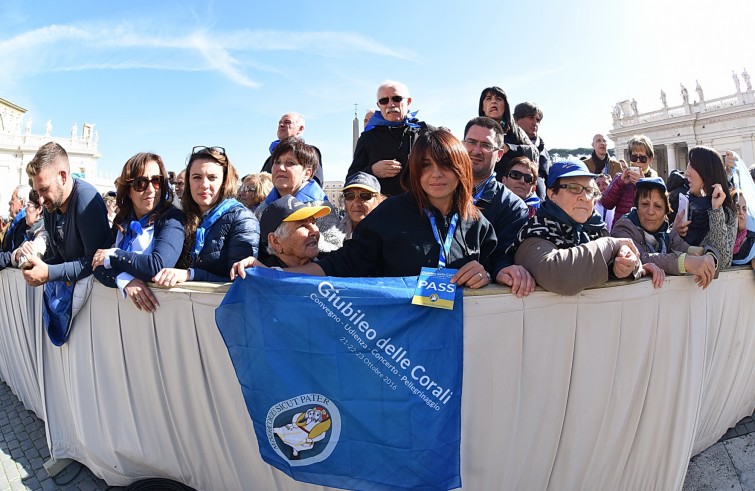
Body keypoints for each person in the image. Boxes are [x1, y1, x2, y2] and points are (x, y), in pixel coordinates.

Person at [233, 129, 498, 289]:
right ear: (415, 170)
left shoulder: (476, 221)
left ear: (461, 168)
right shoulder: (390, 213)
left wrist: (487, 274)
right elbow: (343, 264)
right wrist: (272, 273)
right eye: (426, 165)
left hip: (461, 337)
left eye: (445, 164)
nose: (436, 174)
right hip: (400, 340)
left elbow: (495, 266)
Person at [508, 161, 659, 296]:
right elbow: (559, 275)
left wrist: (629, 266)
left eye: (589, 191)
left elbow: (625, 260)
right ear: (552, 193)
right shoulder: (534, 231)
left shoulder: (596, 228)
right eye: (574, 188)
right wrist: (610, 245)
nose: (585, 197)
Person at [20, 142, 110, 345]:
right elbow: (62, 254)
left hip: (94, 320)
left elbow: (92, 262)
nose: (41, 201)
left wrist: (48, 273)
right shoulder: (53, 205)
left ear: (62, 176)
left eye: (44, 190)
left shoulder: (86, 200)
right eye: (37, 193)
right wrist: (38, 265)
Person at [152, 146, 259, 286]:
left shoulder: (242, 219)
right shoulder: (180, 216)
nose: (204, 185)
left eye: (212, 178)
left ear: (224, 182)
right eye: (197, 177)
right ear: (188, 181)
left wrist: (190, 275)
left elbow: (241, 280)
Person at [92, 153, 185, 313]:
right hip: (122, 315)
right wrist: (125, 279)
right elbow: (96, 264)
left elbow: (158, 265)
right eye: (141, 183)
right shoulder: (122, 221)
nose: (150, 190)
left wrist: (114, 256)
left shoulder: (172, 219)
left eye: (156, 181)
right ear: (128, 190)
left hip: (163, 313)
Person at [462, 117, 533, 296]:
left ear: (499, 154)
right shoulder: (437, 189)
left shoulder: (514, 207)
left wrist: (496, 272)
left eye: (486, 145)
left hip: (477, 297)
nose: (476, 150)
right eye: (471, 142)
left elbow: (504, 255)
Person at [611, 178, 717, 288]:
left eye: (657, 206)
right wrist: (684, 262)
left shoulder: (667, 232)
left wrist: (709, 257)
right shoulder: (623, 228)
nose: (650, 212)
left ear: (665, 213)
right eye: (645, 204)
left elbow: (689, 250)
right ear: (636, 207)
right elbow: (641, 258)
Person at [256, 137, 342, 254]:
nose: (281, 168)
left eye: (290, 163)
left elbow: (336, 247)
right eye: (277, 162)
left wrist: (307, 239)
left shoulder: (320, 205)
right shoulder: (262, 209)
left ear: (307, 173)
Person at [346, 80, 431, 197]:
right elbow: (351, 179)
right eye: (384, 101)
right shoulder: (368, 138)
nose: (391, 104)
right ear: (378, 105)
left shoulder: (427, 132)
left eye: (397, 99)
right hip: (384, 210)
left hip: (423, 208)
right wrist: (372, 171)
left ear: (409, 101)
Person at [675, 146, 737, 268]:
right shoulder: (687, 204)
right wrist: (674, 232)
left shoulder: (727, 212)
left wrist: (716, 210)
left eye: (692, 166)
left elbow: (722, 260)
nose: (686, 172)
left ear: (706, 172)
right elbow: (667, 249)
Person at [476, 87, 538, 184]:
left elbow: (534, 152)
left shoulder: (516, 131)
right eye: (488, 98)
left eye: (498, 99)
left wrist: (510, 148)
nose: (493, 102)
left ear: (505, 106)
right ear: (483, 107)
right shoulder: (474, 130)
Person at [600, 134, 659, 227]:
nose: (638, 161)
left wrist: (642, 185)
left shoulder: (656, 181)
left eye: (642, 158)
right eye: (634, 157)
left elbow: (658, 210)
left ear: (650, 159)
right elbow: (606, 204)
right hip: (621, 231)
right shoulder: (620, 178)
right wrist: (620, 183)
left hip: (644, 233)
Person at [259, 196, 330, 268]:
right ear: (275, 241)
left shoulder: (332, 265)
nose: (315, 231)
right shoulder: (262, 276)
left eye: (313, 222)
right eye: (303, 226)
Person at [260, 113, 324, 186]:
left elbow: (314, 185)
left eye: (287, 122)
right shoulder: (270, 158)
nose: (281, 125)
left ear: (300, 129)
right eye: (280, 123)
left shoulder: (310, 153)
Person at [513, 102, 551, 198]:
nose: (535, 123)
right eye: (530, 117)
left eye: (538, 120)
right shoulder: (506, 145)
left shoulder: (543, 150)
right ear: (516, 120)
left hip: (539, 208)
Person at [4, 190, 48, 271]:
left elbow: (27, 259)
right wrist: (18, 252)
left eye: (28, 205)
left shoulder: (44, 232)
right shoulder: (31, 233)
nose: (25, 210)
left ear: (39, 209)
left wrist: (19, 254)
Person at [338, 172, 384, 240]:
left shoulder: (389, 233)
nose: (356, 203)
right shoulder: (334, 233)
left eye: (365, 196)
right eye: (350, 196)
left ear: (378, 200)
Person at [2, 185, 31, 253]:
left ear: (21, 203)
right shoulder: (14, 223)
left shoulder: (25, 223)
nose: (9, 202)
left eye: (12, 199)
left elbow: (14, 253)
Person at [731, 190, 755, 267]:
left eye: (744, 209)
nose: (741, 212)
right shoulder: (723, 238)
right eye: (737, 208)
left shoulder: (752, 240)